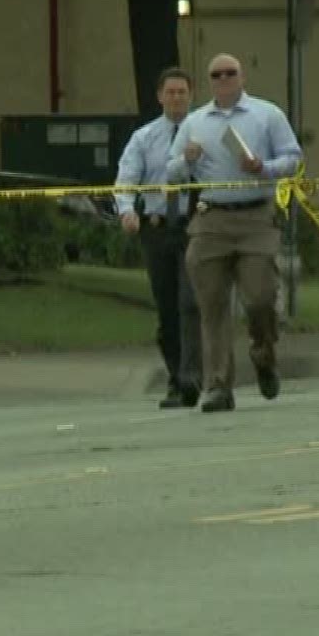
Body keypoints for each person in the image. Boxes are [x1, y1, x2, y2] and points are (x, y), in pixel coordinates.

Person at [164, 54, 303, 412]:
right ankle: (218, 386)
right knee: (211, 307)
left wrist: (264, 166)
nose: (223, 78)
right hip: (211, 219)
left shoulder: (266, 114)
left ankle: (263, 354)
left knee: (259, 298)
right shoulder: (195, 122)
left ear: (242, 77)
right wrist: (187, 161)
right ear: (209, 81)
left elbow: (294, 158)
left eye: (230, 73)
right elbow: (171, 174)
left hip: (255, 216)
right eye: (216, 74)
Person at [114, 67, 202, 408]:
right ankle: (177, 379)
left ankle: (193, 376)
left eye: (182, 92)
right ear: (160, 96)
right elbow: (126, 178)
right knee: (167, 309)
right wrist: (126, 210)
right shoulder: (144, 138)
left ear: (191, 95)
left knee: (190, 303)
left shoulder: (203, 134)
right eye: (171, 92)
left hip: (194, 227)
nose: (177, 97)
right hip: (156, 228)